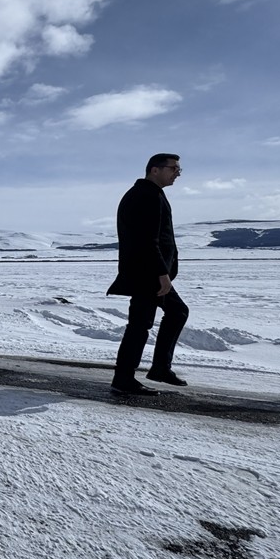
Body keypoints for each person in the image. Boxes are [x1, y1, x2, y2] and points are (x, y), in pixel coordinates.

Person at [107, 154, 189, 395]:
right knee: (140, 324)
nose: (177, 173)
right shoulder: (147, 196)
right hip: (148, 274)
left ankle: (159, 368)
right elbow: (147, 240)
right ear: (155, 170)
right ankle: (124, 378)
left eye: (179, 169)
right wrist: (162, 273)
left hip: (149, 272)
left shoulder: (149, 194)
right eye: (173, 168)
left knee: (175, 313)